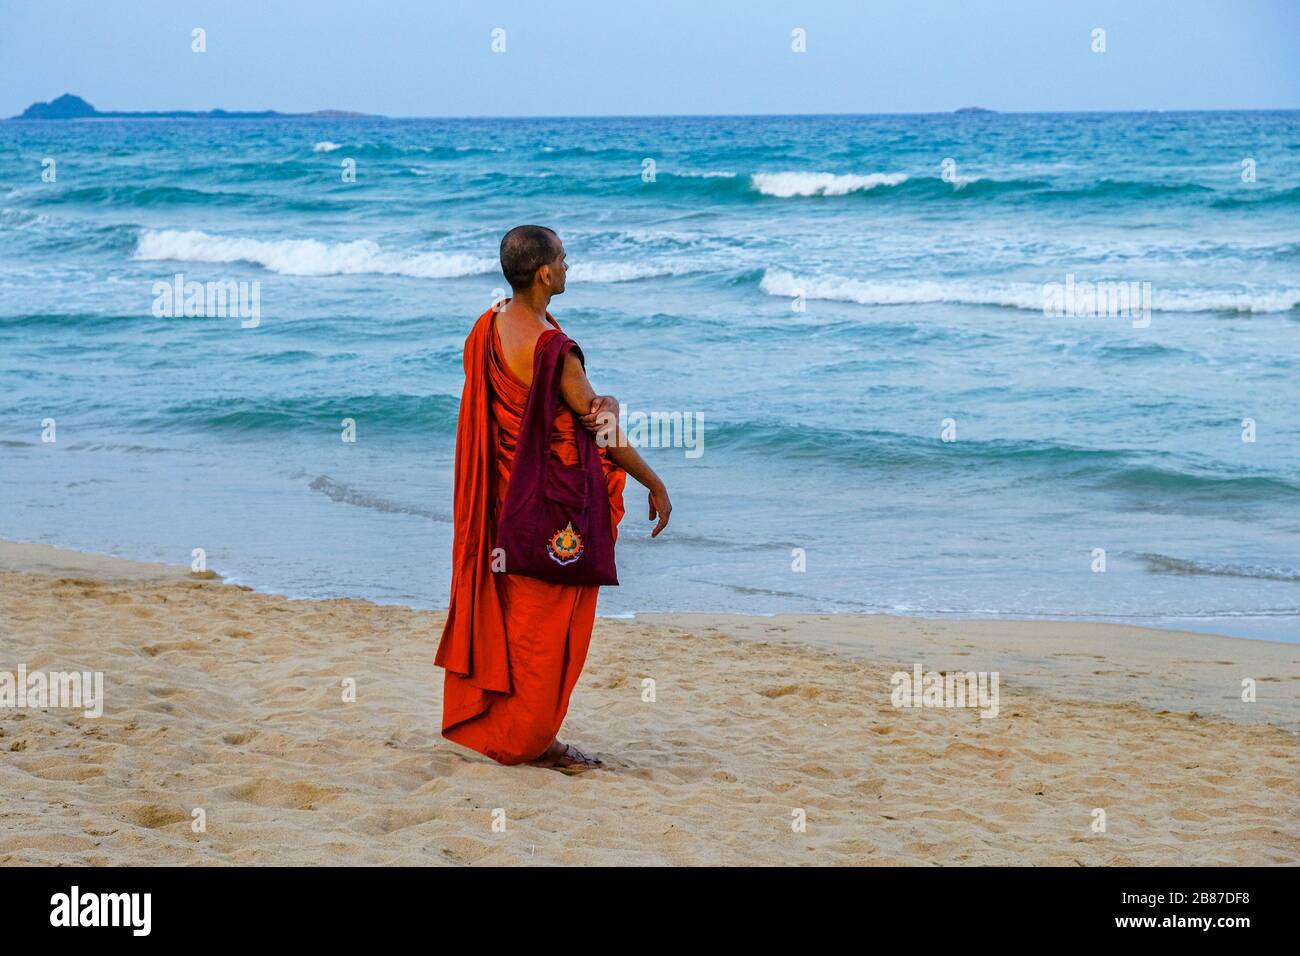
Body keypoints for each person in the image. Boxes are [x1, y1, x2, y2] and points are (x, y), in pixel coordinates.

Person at [435, 225, 671, 774]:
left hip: (503, 501)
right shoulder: (554, 350)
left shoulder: (489, 325)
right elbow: (599, 431)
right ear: (544, 273)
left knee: (514, 616)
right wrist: (652, 482)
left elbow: (501, 412)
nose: (569, 267)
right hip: (547, 506)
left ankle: (501, 724)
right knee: (547, 626)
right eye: (564, 259)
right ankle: (531, 741)